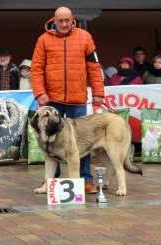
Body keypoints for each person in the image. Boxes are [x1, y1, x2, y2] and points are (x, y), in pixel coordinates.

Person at [31, 6, 104, 194]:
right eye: (60, 21)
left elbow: (94, 68)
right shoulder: (43, 39)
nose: (64, 24)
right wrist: (39, 92)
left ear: (73, 20)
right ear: (54, 21)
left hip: (77, 99)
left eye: (67, 21)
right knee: (50, 143)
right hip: (52, 100)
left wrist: (98, 93)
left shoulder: (85, 37)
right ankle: (51, 182)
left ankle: (85, 180)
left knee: (82, 142)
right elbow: (37, 69)